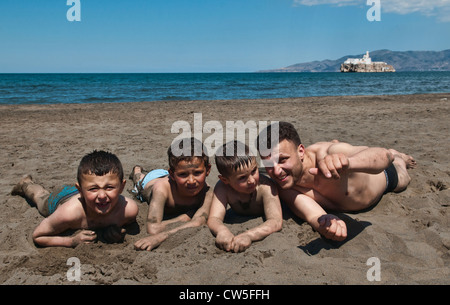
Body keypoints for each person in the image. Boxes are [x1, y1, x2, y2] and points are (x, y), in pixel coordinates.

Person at [257, 122, 416, 241]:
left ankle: (401, 157)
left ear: (300, 151)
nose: (276, 171)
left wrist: (348, 164)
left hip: (387, 176)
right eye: (269, 165)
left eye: (283, 160)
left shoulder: (327, 154)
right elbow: (313, 215)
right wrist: (327, 224)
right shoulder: (285, 185)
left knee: (401, 171)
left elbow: (384, 156)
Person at [10, 150, 139, 248]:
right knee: (40, 197)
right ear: (80, 190)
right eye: (95, 189)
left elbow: (127, 228)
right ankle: (26, 183)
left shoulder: (128, 210)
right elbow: (38, 236)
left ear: (122, 187)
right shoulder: (68, 213)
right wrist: (71, 241)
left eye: (109, 187)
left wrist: (116, 232)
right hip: (61, 198)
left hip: (86, 192)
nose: (102, 195)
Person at [132, 137, 214, 251]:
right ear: (172, 174)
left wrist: (161, 236)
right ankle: (137, 170)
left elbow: (199, 221)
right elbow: (153, 229)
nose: (191, 180)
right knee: (139, 180)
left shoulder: (207, 192)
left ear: (208, 170)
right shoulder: (161, 189)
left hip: (173, 175)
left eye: (197, 173)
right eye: (183, 174)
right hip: (151, 180)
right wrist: (186, 217)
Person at [207, 141, 282, 253]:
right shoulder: (223, 188)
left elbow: (276, 221)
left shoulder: (265, 187)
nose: (251, 180)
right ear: (225, 180)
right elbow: (214, 218)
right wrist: (222, 231)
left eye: (253, 171)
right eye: (242, 178)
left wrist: (249, 235)